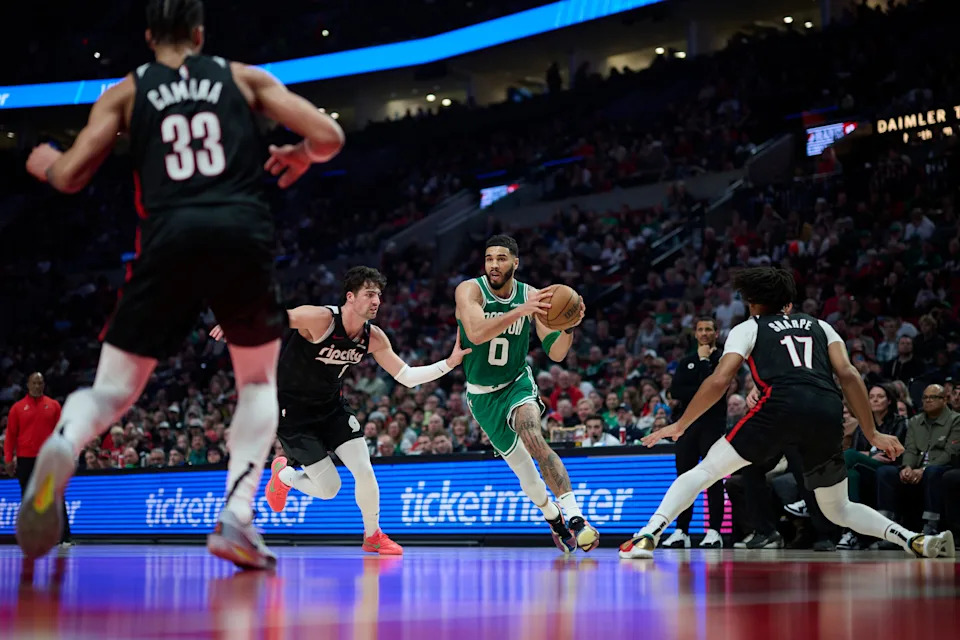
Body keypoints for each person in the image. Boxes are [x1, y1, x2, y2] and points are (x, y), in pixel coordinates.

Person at [18, 0, 345, 568]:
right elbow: (330, 135)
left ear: (149, 37)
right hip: (241, 236)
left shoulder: (125, 91)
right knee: (257, 384)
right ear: (199, 32)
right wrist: (301, 154)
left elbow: (70, 176)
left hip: (167, 238)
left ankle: (64, 444)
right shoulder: (242, 77)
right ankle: (235, 519)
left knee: (114, 391)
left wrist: (44, 161)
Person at [619, 267, 954, 560]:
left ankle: (649, 533)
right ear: (788, 301)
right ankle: (915, 539)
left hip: (778, 407)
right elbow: (849, 375)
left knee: (705, 471)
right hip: (825, 410)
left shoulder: (748, 328)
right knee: (839, 508)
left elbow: (720, 380)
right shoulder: (821, 326)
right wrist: (873, 432)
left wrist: (680, 424)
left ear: (751, 301)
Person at [210, 266, 470, 555]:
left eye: (379, 296)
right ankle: (284, 477)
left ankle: (373, 535)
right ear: (350, 296)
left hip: (332, 408)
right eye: (369, 294)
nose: (376, 301)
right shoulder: (321, 319)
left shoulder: (374, 337)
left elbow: (406, 376)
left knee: (364, 470)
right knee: (329, 489)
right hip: (293, 414)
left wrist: (449, 363)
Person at [455, 234, 599, 553]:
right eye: (489, 258)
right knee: (524, 472)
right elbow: (477, 333)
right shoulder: (469, 290)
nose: (494, 264)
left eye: (501, 258)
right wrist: (523, 310)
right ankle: (555, 519)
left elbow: (557, 353)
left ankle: (576, 517)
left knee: (531, 433)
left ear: (515, 263)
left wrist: (569, 326)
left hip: (517, 382)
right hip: (481, 395)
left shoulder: (532, 295)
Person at [662, 316, 725, 549]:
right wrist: (700, 376)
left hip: (713, 425)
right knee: (684, 478)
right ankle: (682, 531)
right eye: (700, 329)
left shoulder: (723, 359)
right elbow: (677, 391)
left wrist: (705, 361)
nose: (705, 333)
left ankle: (714, 531)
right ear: (696, 334)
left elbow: (713, 389)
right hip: (687, 426)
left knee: (713, 478)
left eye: (709, 329)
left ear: (716, 333)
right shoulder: (686, 360)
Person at [4, 373, 72, 546]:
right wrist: (8, 459)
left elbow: (61, 433)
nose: (37, 385)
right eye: (34, 382)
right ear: (28, 384)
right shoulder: (17, 408)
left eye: (40, 383)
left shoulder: (54, 405)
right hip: (25, 458)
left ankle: (64, 537)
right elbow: (11, 436)